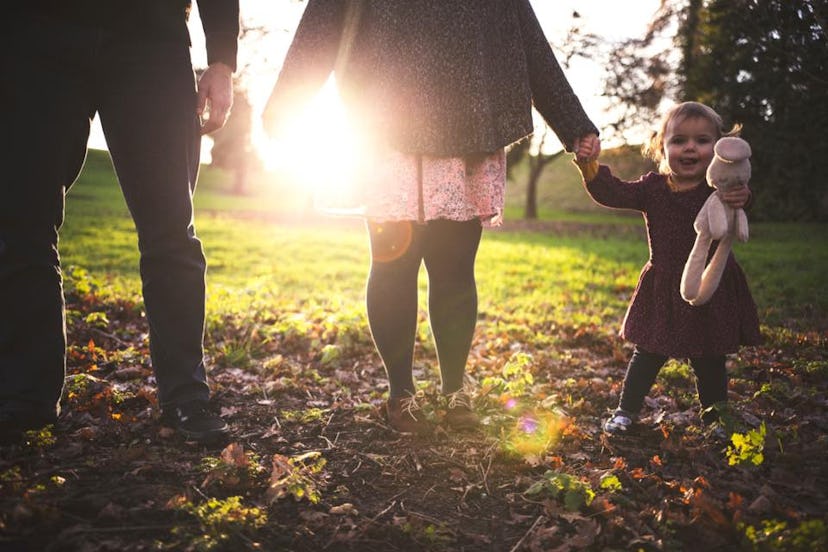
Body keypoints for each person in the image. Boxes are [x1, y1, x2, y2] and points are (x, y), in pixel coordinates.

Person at [263, 0, 599, 434]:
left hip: (467, 129)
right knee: (392, 264)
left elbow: (530, 45)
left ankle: (455, 391)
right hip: (384, 130)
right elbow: (322, 23)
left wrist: (575, 124)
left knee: (455, 269)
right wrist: (286, 103)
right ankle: (401, 394)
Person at [0, 1, 239, 444]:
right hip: (31, 34)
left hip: (150, 36)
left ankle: (186, 396)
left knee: (171, 228)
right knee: (23, 223)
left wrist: (222, 59)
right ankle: (26, 400)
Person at [572, 101, 761, 435]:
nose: (690, 147)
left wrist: (742, 195)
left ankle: (716, 418)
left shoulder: (719, 190)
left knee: (710, 357)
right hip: (664, 285)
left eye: (702, 141)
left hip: (708, 288)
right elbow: (612, 192)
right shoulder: (653, 188)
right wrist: (589, 165)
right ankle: (625, 413)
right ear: (662, 148)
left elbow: (745, 203)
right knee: (648, 352)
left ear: (719, 150)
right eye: (678, 141)